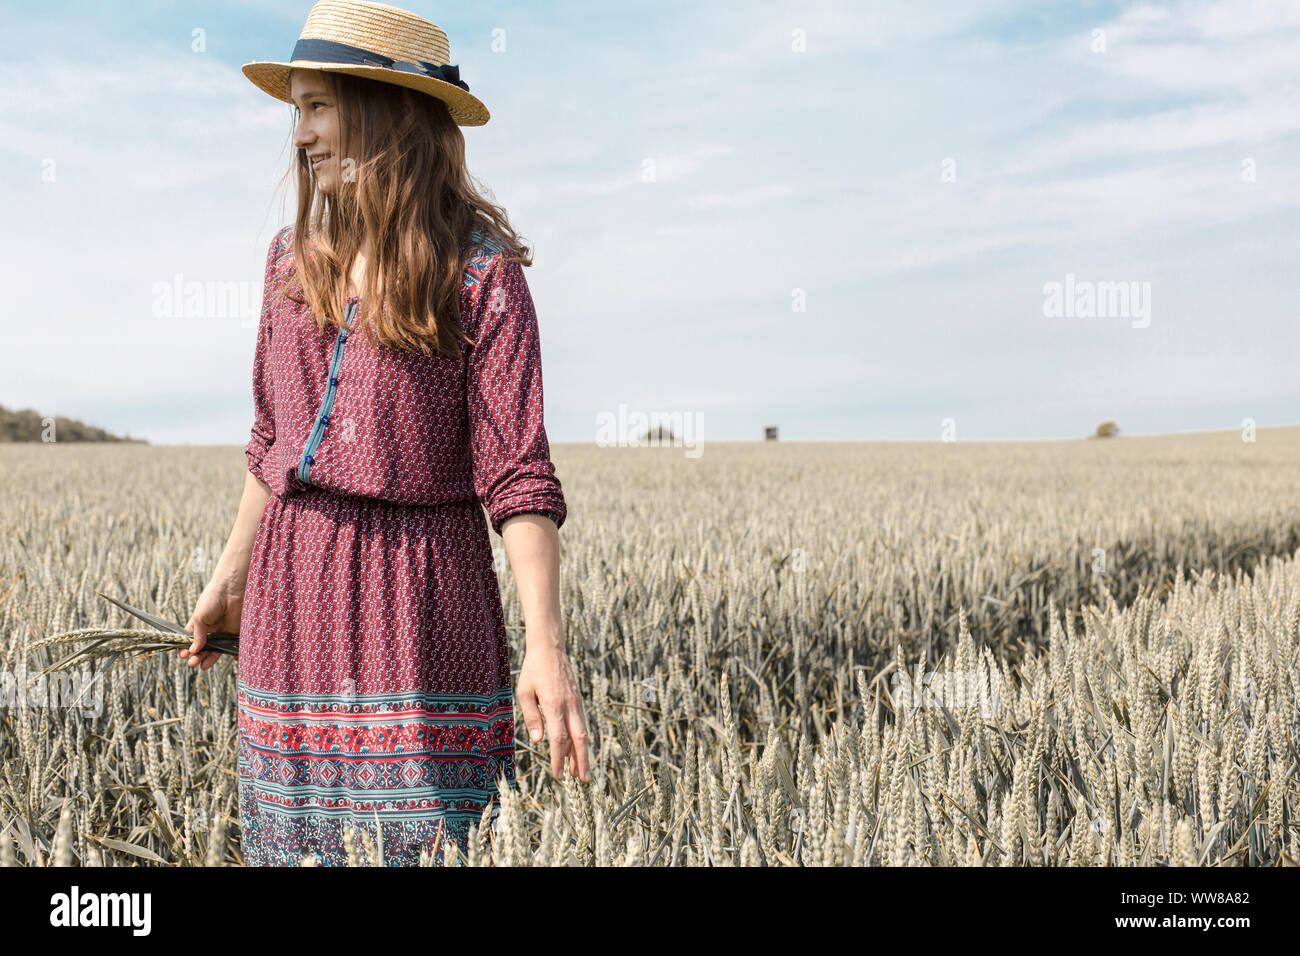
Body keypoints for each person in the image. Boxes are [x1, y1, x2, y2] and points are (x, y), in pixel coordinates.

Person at [181, 0, 589, 866]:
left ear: (387, 112)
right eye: (298, 109)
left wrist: (546, 648)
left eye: (319, 106)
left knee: (428, 842)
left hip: (423, 607)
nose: (301, 134)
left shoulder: (480, 277)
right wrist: (230, 579)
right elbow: (272, 444)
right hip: (292, 603)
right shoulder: (290, 265)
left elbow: (517, 477)